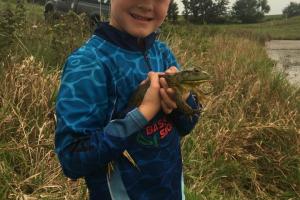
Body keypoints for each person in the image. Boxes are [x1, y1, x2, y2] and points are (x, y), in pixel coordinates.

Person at [55, 0, 200, 199]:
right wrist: (142, 113)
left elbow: (186, 127)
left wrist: (184, 100)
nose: (148, 4)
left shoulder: (163, 53)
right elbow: (72, 158)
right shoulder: (87, 64)